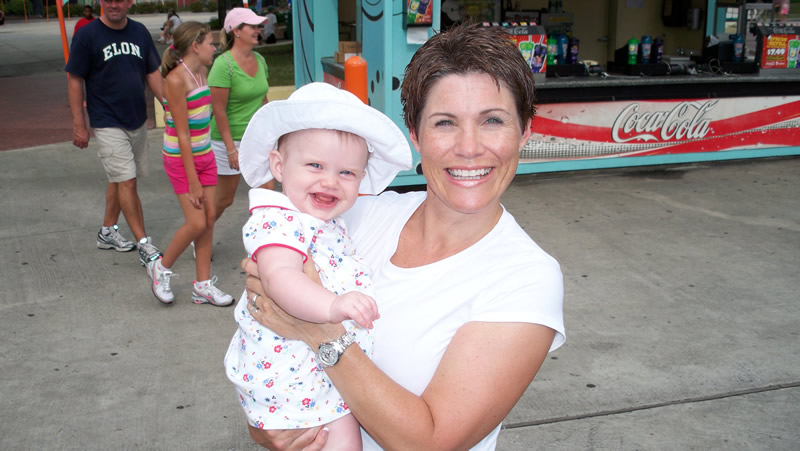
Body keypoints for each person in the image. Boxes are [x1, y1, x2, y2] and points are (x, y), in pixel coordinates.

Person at [241, 23, 566, 450]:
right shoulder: (354, 217)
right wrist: (271, 426)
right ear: (416, 135)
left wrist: (321, 332)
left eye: (492, 121)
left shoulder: (526, 278)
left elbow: (429, 443)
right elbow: (263, 324)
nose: (469, 147)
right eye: (445, 123)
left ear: (524, 132)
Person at [224, 82, 412, 448]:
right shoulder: (279, 220)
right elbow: (279, 278)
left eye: (347, 173)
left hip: (311, 366)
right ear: (278, 165)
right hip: (294, 374)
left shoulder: (320, 222)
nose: (330, 181)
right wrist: (332, 306)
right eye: (315, 165)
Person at [65, 0, 163, 270]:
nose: (114, 5)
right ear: (100, 2)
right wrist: (79, 124)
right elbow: (75, 80)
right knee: (127, 182)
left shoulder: (139, 32)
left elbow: (152, 72)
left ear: (130, 2)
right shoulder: (87, 36)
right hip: (107, 122)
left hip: (136, 119)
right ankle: (144, 243)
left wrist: (169, 104)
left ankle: (108, 232)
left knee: (119, 179)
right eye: (108, 0)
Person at [146, 22, 234, 307]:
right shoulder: (175, 80)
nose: (215, 48)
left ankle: (203, 285)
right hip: (181, 160)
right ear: (195, 45)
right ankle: (161, 267)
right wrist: (192, 179)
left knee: (208, 220)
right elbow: (182, 134)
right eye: (211, 43)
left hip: (205, 154)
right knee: (196, 221)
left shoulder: (202, 72)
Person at [208, 7, 273, 227]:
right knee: (224, 199)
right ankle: (200, 233)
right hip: (229, 139)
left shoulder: (261, 60)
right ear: (236, 31)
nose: (258, 30)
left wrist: (273, 132)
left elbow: (263, 100)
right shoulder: (223, 65)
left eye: (258, 26)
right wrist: (231, 149)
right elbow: (219, 111)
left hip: (257, 138)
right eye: (252, 26)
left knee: (268, 196)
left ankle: (266, 244)